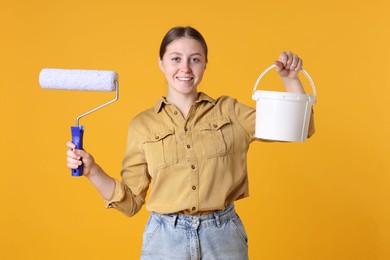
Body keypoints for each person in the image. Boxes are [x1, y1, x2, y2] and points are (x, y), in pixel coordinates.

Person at [66, 26, 315, 260]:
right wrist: (92, 171)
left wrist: (291, 79)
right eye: (175, 58)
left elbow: (300, 128)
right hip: (164, 240)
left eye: (194, 59)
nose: (185, 67)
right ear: (161, 63)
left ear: (205, 64)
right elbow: (130, 203)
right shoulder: (142, 125)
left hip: (224, 237)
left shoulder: (231, 112)